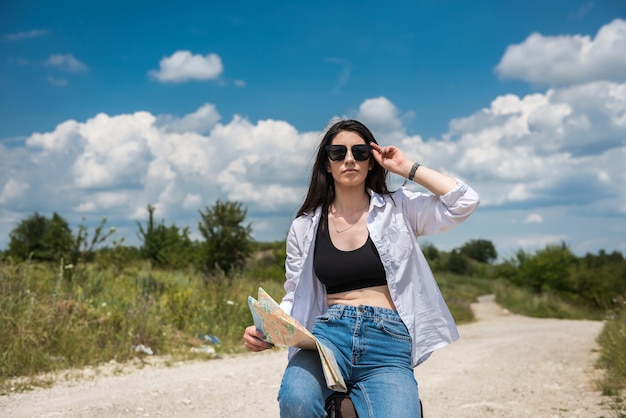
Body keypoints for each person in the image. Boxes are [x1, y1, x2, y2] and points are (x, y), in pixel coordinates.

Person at [243, 119, 479, 417]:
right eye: (338, 152)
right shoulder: (305, 226)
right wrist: (266, 329)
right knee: (296, 399)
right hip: (327, 338)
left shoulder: (400, 208)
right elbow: (295, 294)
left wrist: (406, 167)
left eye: (360, 152)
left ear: (372, 162)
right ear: (327, 164)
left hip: (387, 340)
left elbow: (465, 201)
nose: (349, 159)